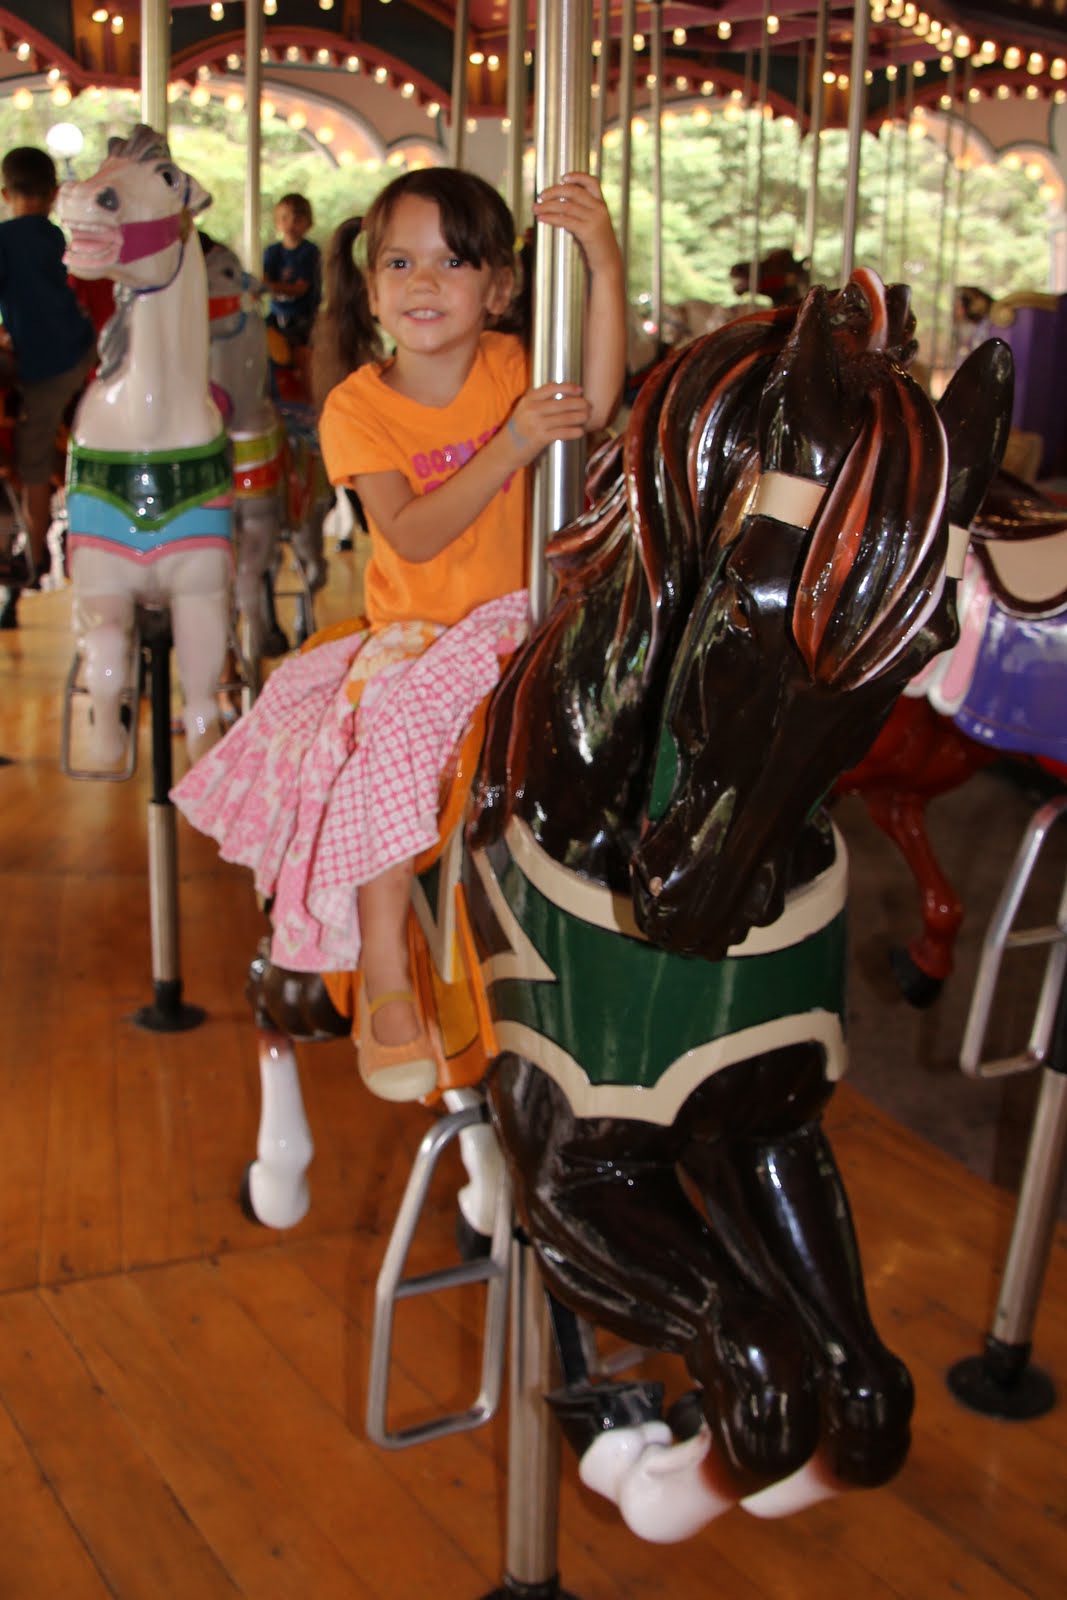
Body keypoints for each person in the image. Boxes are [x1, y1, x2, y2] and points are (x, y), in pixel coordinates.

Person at [173, 165, 626, 1101]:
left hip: (533, 614)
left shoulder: (513, 363)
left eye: (453, 262)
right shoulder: (358, 406)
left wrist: (603, 260)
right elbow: (412, 533)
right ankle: (383, 966)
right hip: (424, 630)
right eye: (400, 263)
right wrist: (511, 446)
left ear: (498, 287)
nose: (425, 282)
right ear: (371, 289)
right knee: (395, 739)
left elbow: (598, 401)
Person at [0, 145, 95, 588]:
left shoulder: (5, 239)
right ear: (54, 194)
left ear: (5, 194)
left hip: (48, 364)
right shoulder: (54, 236)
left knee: (33, 462)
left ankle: (34, 557)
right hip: (80, 348)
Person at [262, 192, 322, 357]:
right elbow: (265, 280)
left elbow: (300, 289)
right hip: (276, 315)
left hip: (304, 317)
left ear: (308, 223)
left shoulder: (310, 252)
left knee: (302, 356)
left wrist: (271, 286)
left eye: (297, 220)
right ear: (277, 222)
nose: (290, 224)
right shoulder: (272, 252)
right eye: (284, 218)